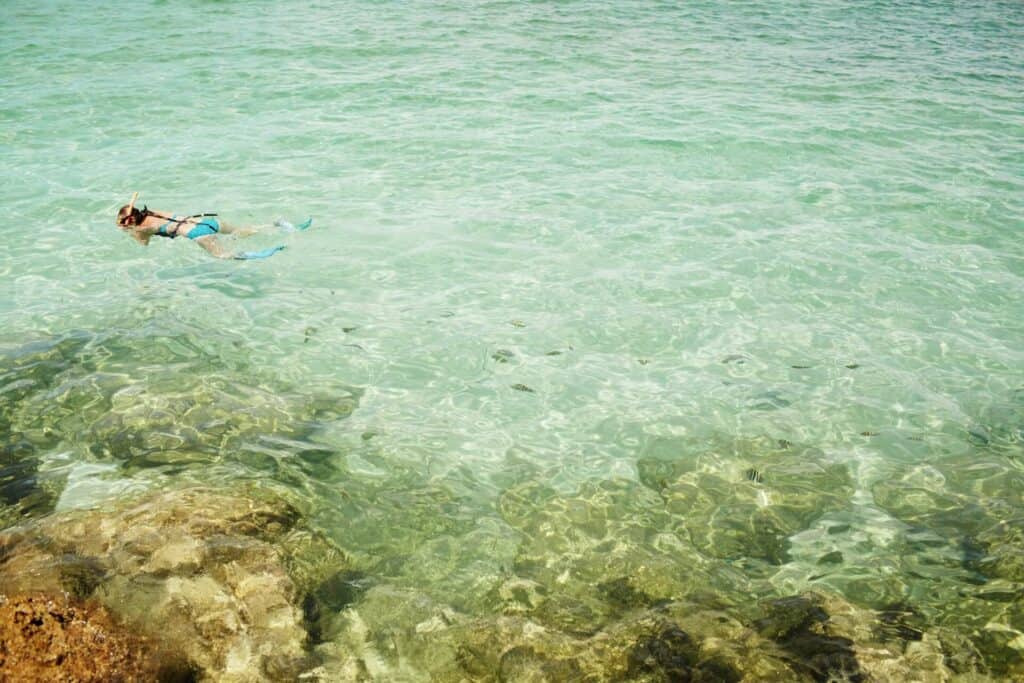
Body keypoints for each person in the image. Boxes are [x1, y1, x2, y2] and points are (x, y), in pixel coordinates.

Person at [115, 192, 310, 260]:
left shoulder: (141, 228)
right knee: (241, 231)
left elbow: (144, 245)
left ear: (130, 221)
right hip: (205, 221)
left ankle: (263, 254)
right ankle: (277, 225)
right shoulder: (152, 211)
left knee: (223, 256)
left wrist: (130, 232)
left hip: (195, 232)